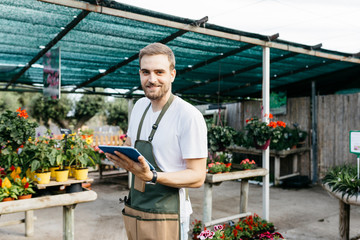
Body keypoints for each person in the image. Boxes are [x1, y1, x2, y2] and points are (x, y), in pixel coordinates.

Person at [105, 42, 208, 240]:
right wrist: (118, 154)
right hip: (137, 207)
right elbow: (130, 144)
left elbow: (197, 176)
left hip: (168, 215)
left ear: (172, 74)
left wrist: (152, 176)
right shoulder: (139, 107)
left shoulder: (188, 115)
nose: (152, 79)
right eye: (145, 72)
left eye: (159, 72)